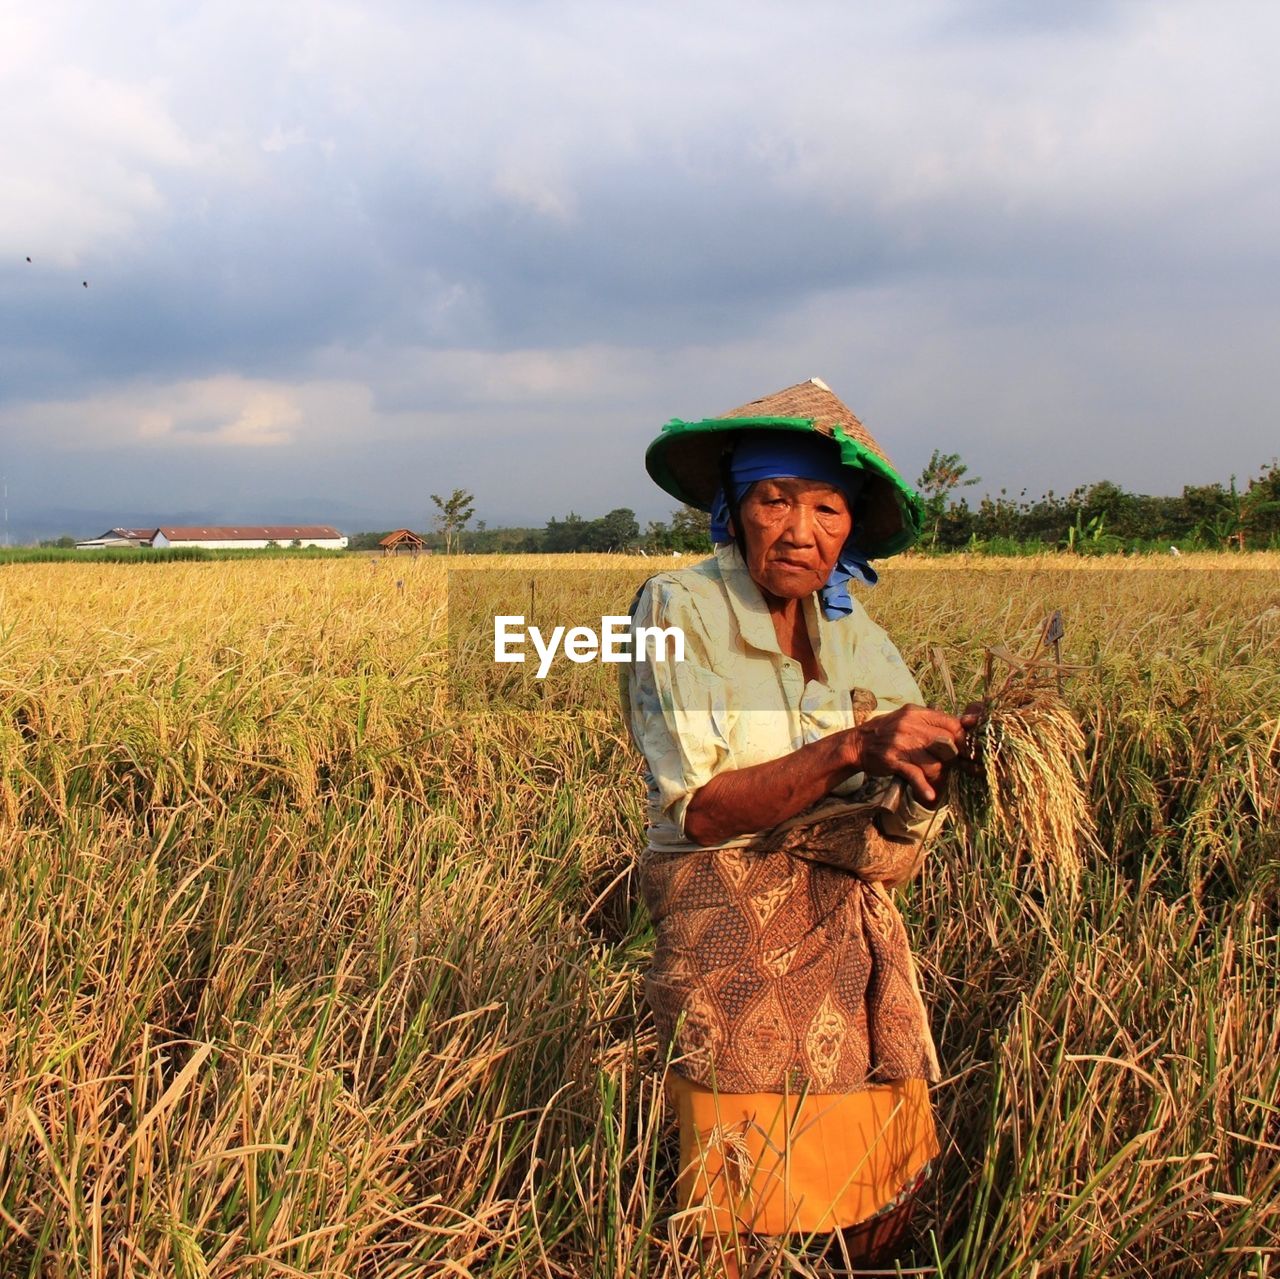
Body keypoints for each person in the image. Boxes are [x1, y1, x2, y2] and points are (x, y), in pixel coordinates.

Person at [624, 378, 979, 1275]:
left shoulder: (854, 629)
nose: (799, 528)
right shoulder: (677, 609)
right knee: (744, 1193)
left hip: (845, 919)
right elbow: (703, 809)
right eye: (774, 498)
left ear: (850, 525)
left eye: (825, 506)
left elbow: (901, 778)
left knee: (878, 1174)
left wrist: (941, 767)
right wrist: (856, 745)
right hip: (726, 918)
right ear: (733, 509)